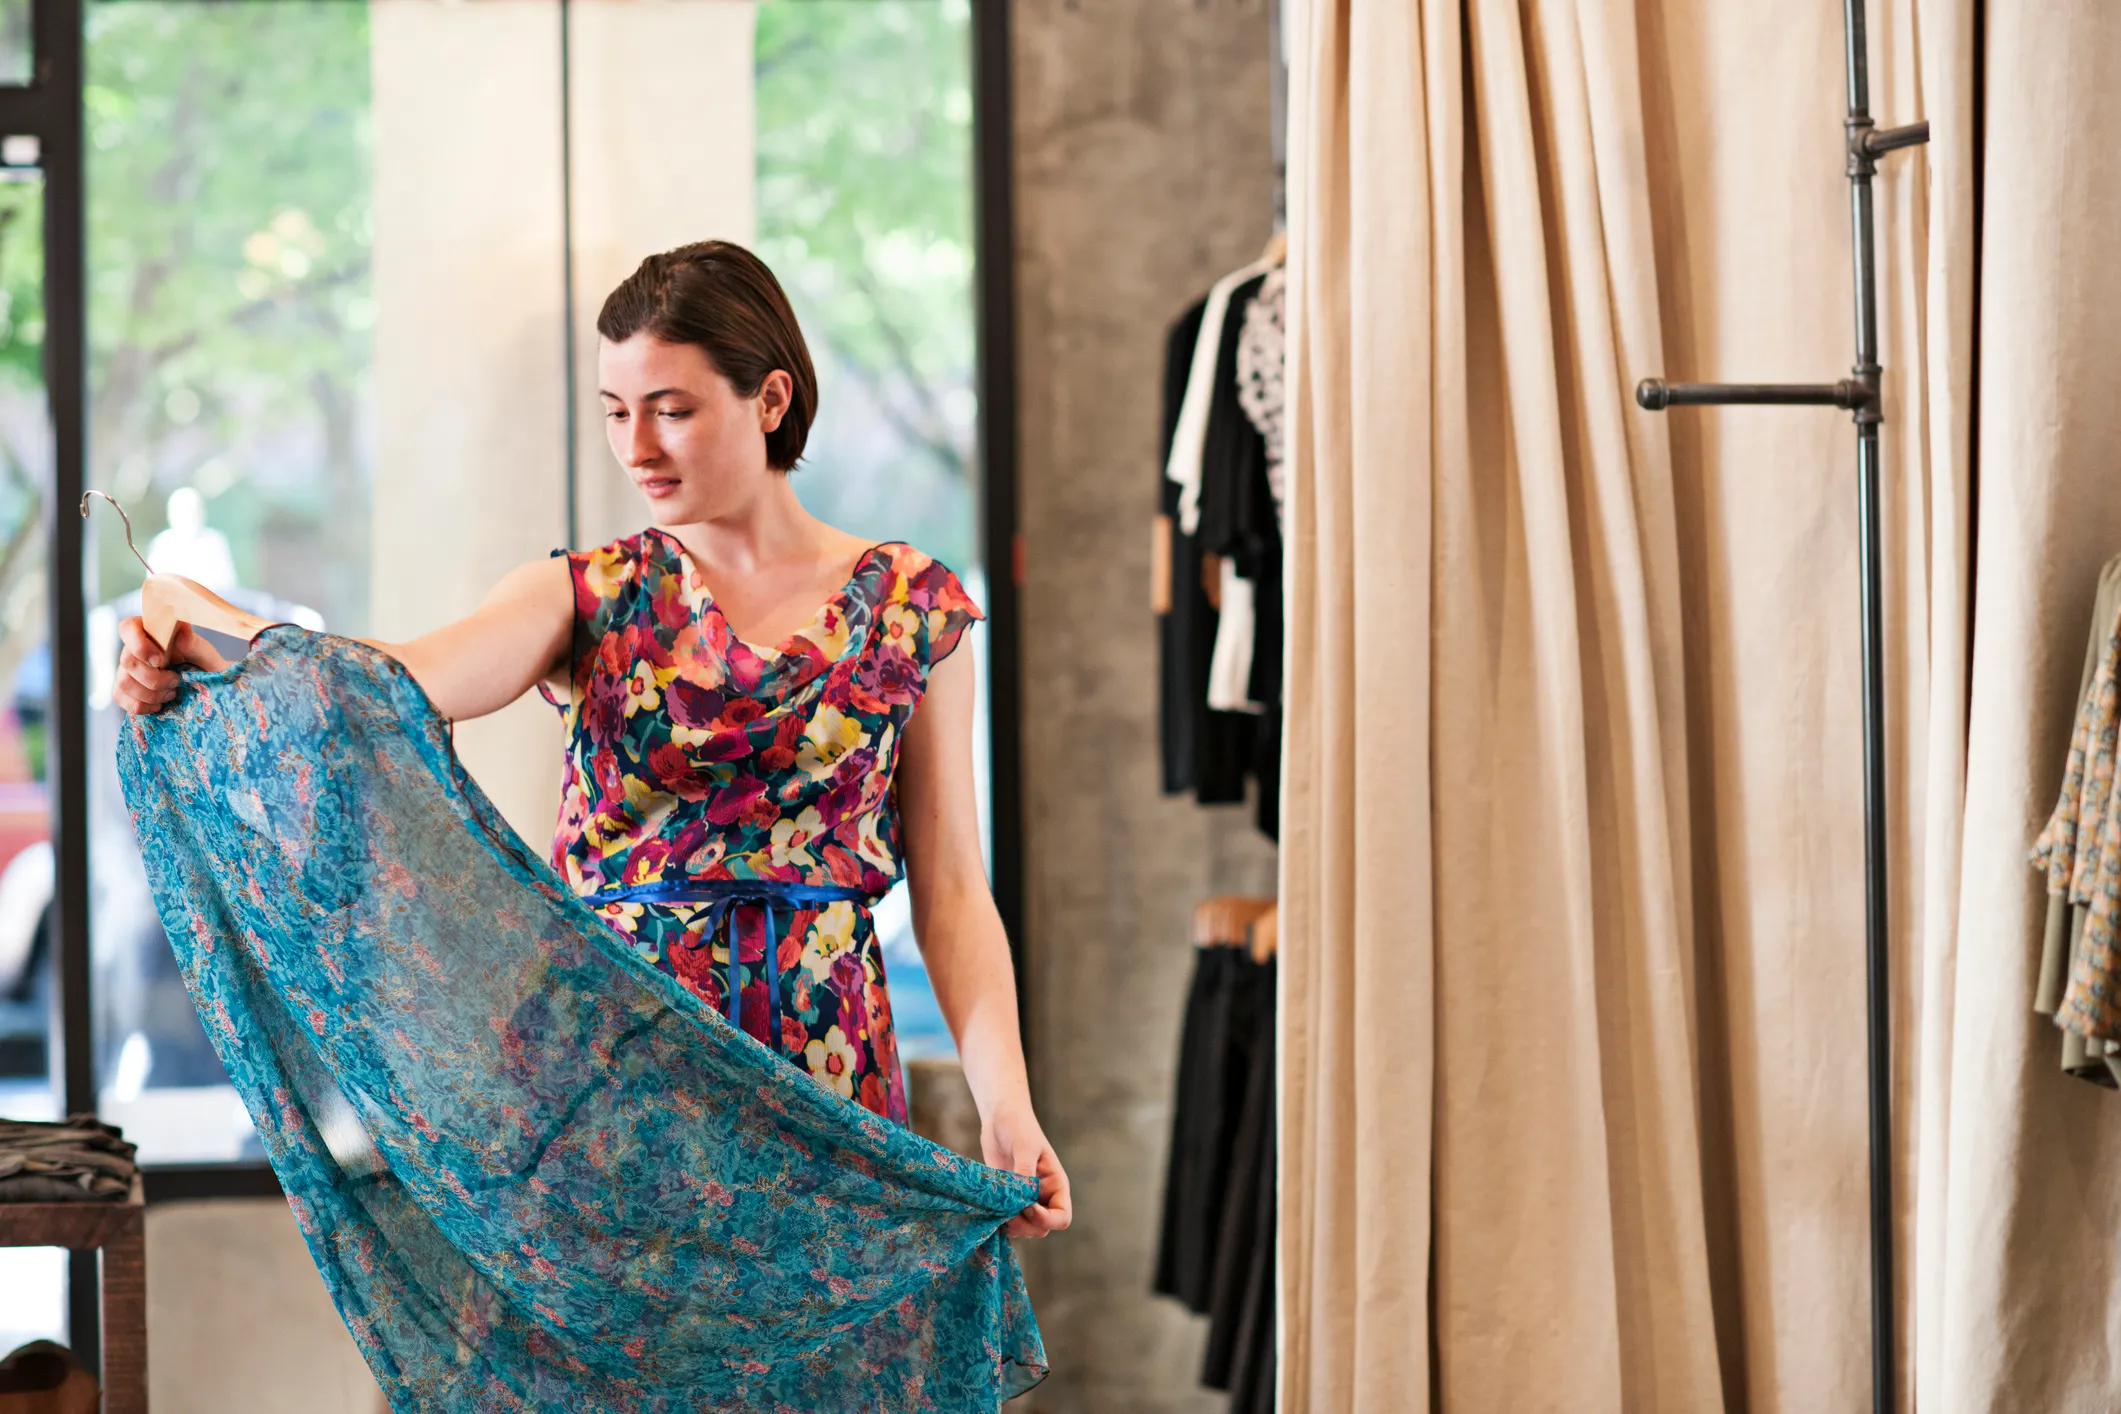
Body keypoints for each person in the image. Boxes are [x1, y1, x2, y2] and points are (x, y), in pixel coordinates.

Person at [111, 239, 1071, 1243]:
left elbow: (955, 889)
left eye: (673, 409)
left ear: (772, 398)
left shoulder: (914, 607)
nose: (638, 448)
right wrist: (191, 627)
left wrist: (1006, 1103)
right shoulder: (587, 594)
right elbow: (383, 688)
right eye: (618, 412)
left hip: (831, 1086)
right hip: (617, 1088)